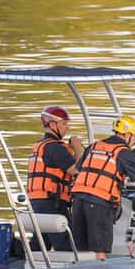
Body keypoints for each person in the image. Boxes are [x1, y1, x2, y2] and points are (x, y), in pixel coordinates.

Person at [69, 114, 135, 259]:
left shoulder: (95, 146)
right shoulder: (124, 153)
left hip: (78, 200)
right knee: (100, 248)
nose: (134, 141)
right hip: (98, 202)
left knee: (81, 248)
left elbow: (80, 170)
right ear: (127, 135)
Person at [26, 105, 84, 251]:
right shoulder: (56, 147)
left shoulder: (40, 145)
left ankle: (29, 265)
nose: (67, 127)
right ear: (52, 124)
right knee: (66, 244)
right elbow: (78, 171)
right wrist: (77, 148)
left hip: (37, 201)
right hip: (53, 202)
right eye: (64, 123)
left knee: (40, 243)